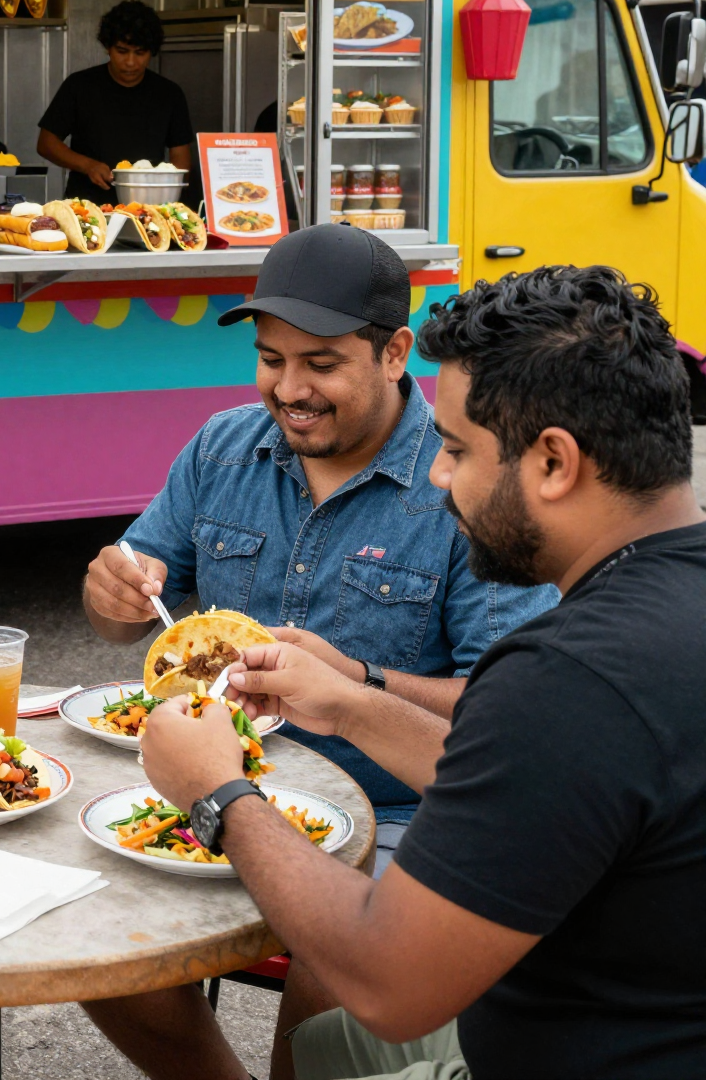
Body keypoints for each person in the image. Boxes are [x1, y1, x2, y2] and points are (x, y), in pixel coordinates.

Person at [139, 263, 706, 1080]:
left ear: (553, 462)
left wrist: (219, 796)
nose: (437, 478)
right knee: (324, 1048)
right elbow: (535, 781)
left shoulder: (571, 677)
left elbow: (384, 979)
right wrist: (348, 700)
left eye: (456, 450)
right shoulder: (642, 629)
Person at [79, 224, 557, 1079]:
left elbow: (508, 709)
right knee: (89, 922)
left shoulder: (465, 478)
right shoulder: (223, 446)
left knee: (341, 960)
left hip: (403, 818)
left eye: (322, 364)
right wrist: (111, 592)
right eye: (271, 360)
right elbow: (128, 612)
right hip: (210, 788)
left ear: (394, 353)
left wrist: (357, 683)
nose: (289, 390)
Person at [36, 0, 192, 205]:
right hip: (87, 206)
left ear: (151, 52)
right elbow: (46, 143)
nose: (130, 62)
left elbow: (180, 154)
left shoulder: (169, 93)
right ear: (107, 47)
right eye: (122, 51)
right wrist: (87, 165)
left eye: (140, 53)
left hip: (149, 210)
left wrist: (169, 195)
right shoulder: (80, 85)